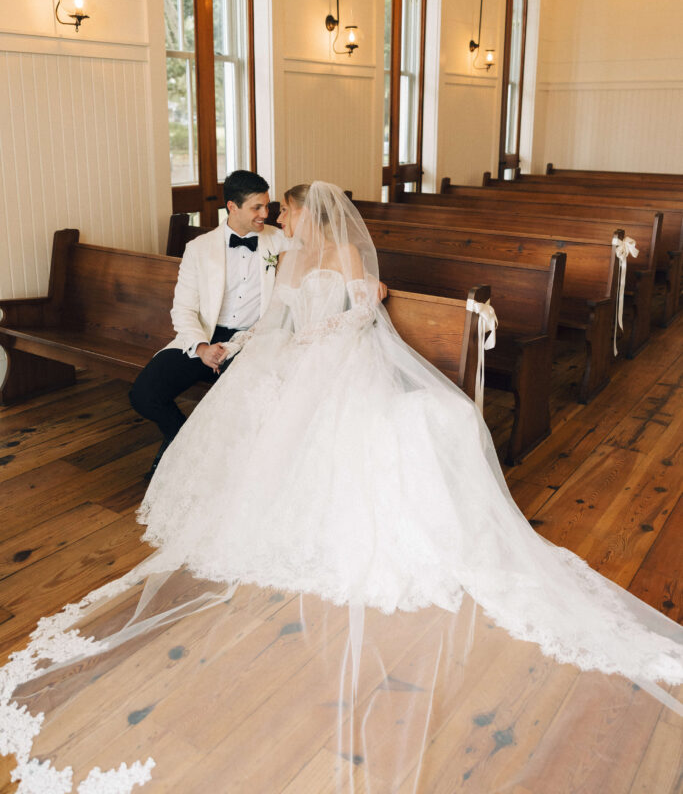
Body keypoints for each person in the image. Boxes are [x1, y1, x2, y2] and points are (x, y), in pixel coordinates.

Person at [1, 182, 681, 794]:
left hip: (344, 358)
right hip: (291, 354)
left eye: (287, 212)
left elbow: (361, 318)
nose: (281, 221)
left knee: (363, 421)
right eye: (275, 212)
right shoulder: (284, 257)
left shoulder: (346, 258)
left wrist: (333, 327)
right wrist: (252, 349)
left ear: (308, 215)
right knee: (254, 409)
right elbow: (276, 321)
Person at [129, 169, 287, 478]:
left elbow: (328, 257)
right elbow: (183, 309)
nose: (265, 214)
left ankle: (218, 472)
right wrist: (201, 347)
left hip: (251, 341)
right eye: (257, 207)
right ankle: (182, 440)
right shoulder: (199, 248)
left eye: (267, 206)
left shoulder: (281, 242)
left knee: (236, 401)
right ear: (232, 206)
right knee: (144, 394)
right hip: (202, 337)